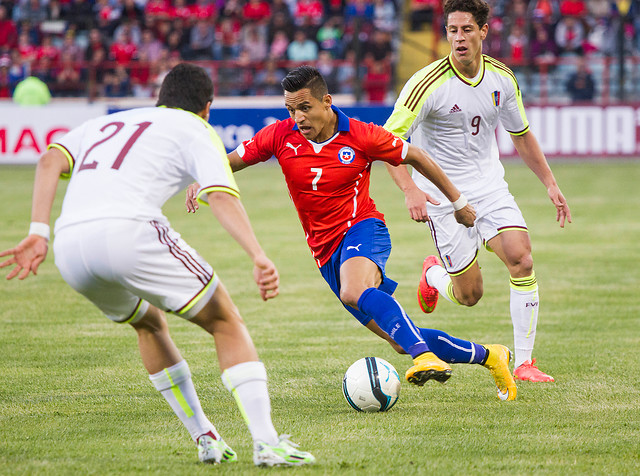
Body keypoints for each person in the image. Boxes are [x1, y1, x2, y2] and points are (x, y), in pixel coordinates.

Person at [0, 63, 315, 468]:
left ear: (159, 97)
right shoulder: (196, 128)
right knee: (226, 322)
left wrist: (39, 231)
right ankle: (267, 442)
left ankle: (206, 438)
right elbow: (220, 196)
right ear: (207, 107)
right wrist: (257, 254)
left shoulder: (108, 122)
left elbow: (48, 161)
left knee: (147, 322)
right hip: (130, 232)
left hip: (71, 244)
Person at [187, 65, 518, 401]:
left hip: (363, 228)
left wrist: (458, 202)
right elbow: (234, 159)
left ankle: (424, 355)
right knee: (396, 338)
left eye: (304, 107)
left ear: (326, 102)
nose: (297, 117)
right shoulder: (279, 135)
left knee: (355, 291)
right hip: (325, 252)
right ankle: (491, 356)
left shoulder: (361, 135)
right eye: (290, 109)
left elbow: (416, 155)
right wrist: (204, 176)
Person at [383, 0, 572, 383]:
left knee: (522, 260)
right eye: (452, 31)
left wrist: (550, 183)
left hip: (488, 188)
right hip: (441, 196)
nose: (459, 38)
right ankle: (434, 276)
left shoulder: (502, 78)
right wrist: (410, 190)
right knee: (470, 295)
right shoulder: (426, 84)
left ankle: (524, 363)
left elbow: (521, 135)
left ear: (483, 31)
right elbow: (387, 145)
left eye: (466, 29)